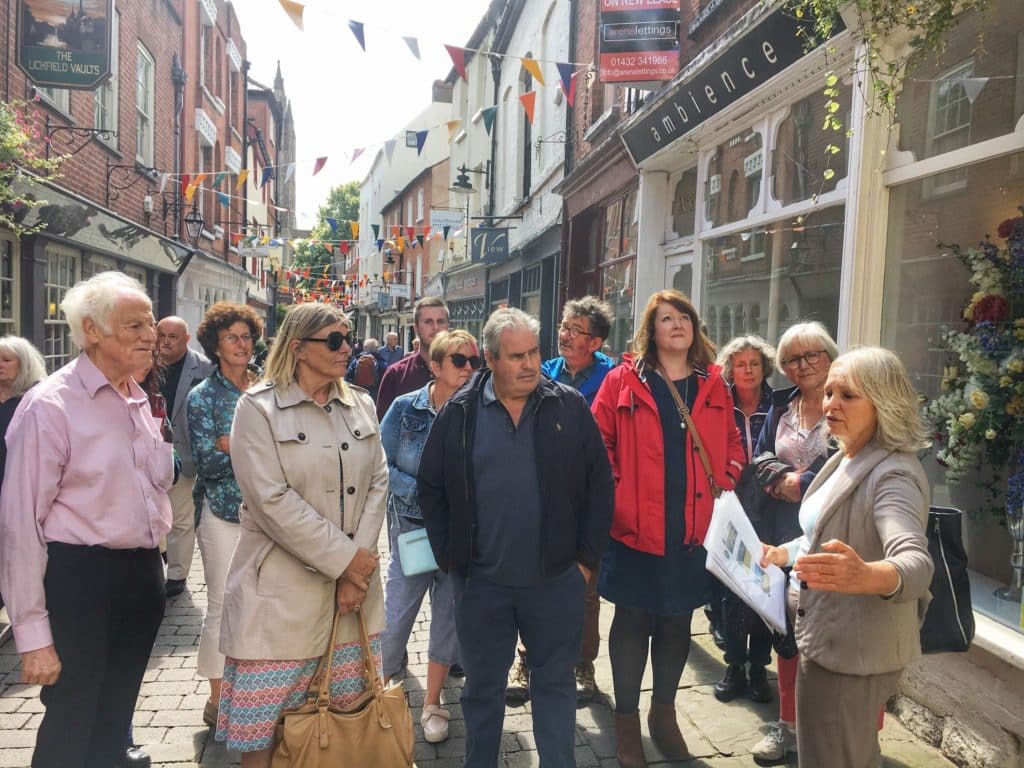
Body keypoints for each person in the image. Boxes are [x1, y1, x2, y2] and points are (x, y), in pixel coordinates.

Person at [418, 307, 614, 768]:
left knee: (555, 685)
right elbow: (431, 485)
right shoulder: (461, 413)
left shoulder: (567, 404)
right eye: (516, 356)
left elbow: (600, 484)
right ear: (489, 359)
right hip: (481, 583)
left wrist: (585, 561)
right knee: (483, 689)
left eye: (534, 352)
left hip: (554, 580)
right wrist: (450, 557)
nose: (529, 364)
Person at [0, 271, 173, 768]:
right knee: (73, 716)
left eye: (151, 324)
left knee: (114, 715)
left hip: (140, 574)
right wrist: (32, 636)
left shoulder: (136, 398)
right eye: (135, 324)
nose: (149, 335)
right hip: (80, 579)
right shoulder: (49, 406)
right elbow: (19, 527)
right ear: (93, 331)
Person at [216, 303, 387, 768]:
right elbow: (271, 502)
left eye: (347, 337)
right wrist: (346, 563)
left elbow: (378, 483)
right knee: (268, 735)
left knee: (344, 725)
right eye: (333, 340)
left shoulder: (362, 403)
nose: (346, 348)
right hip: (279, 601)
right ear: (298, 347)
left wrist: (358, 570)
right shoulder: (258, 408)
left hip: (352, 600)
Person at [591, 289, 744, 768]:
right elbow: (598, 446)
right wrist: (618, 496)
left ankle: (664, 715)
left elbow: (735, 441)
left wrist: (730, 474)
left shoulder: (715, 384)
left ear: (694, 328)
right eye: (666, 318)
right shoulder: (621, 381)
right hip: (635, 529)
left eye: (684, 317)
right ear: (651, 332)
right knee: (633, 620)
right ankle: (626, 721)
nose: (676, 324)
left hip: (690, 530)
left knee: (678, 621)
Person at [760, 347, 933, 768]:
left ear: (884, 402)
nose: (831, 403)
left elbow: (914, 562)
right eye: (831, 391)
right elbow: (820, 532)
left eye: (848, 395)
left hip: (850, 656)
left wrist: (867, 574)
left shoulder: (894, 474)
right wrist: (785, 552)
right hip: (824, 639)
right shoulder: (846, 455)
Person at [379, 330, 481, 743]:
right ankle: (380, 693)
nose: (470, 368)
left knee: (449, 615)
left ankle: (434, 701)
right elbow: (380, 464)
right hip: (415, 530)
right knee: (396, 611)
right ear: (435, 367)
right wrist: (424, 495)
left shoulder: (480, 411)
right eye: (459, 361)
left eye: (474, 360)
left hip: (460, 535)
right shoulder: (406, 409)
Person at [513, 295, 614, 707]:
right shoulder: (543, 371)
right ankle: (526, 660)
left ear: (595, 342)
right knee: (529, 580)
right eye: (564, 327)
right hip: (537, 495)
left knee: (585, 586)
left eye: (576, 330)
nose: (565, 335)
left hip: (586, 500)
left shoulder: (614, 378)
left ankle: (581, 664)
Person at [748, 321, 839, 765]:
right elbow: (760, 455)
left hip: (829, 536)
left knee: (827, 634)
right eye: (791, 360)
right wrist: (779, 480)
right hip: (780, 533)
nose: (800, 366)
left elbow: (842, 464)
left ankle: (834, 732)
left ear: (830, 355)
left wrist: (798, 483)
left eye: (811, 356)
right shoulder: (781, 403)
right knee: (785, 630)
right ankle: (787, 726)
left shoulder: (845, 402)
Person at [186, 302, 262, 729]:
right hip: (221, 513)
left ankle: (253, 687)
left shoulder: (264, 387)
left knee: (258, 601)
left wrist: (228, 441)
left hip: (267, 512)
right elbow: (206, 464)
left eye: (247, 336)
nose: (241, 344)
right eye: (232, 337)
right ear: (215, 346)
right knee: (220, 603)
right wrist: (238, 446)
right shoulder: (203, 397)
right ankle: (217, 698)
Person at [713, 335, 777, 704]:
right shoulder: (720, 404)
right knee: (735, 588)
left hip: (770, 504)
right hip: (733, 502)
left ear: (764, 366)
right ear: (730, 369)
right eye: (740, 364)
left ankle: (759, 668)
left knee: (766, 584)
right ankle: (735, 665)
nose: (748, 370)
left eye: (754, 363)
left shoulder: (780, 404)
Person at [157, 315, 215, 598]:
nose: (165, 342)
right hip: (147, 454)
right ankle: (165, 554)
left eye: (173, 337)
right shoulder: (143, 364)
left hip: (184, 454)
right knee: (153, 515)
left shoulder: (204, 369)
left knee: (181, 517)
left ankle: (177, 575)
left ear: (186, 339)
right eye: (162, 336)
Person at [376, 297, 450, 420]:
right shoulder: (396, 374)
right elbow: (383, 429)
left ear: (448, 326)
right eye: (428, 322)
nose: (436, 327)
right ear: (416, 328)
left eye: (441, 321)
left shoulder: (463, 372)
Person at [0, 335, 46, 493]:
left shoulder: (36, 401)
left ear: (24, 365)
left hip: (21, 487)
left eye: (6, 360)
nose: (0, 365)